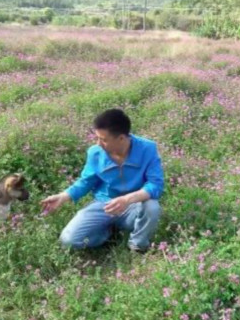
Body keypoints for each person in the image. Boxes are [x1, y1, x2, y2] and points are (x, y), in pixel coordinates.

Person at [40, 108, 164, 252]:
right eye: (97, 138)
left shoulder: (147, 148)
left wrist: (127, 200)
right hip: (104, 205)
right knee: (68, 240)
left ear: (121, 138)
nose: (98, 143)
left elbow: (155, 184)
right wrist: (63, 196)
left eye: (103, 139)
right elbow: (86, 181)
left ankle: (138, 244)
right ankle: (107, 234)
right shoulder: (95, 153)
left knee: (152, 207)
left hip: (133, 205)